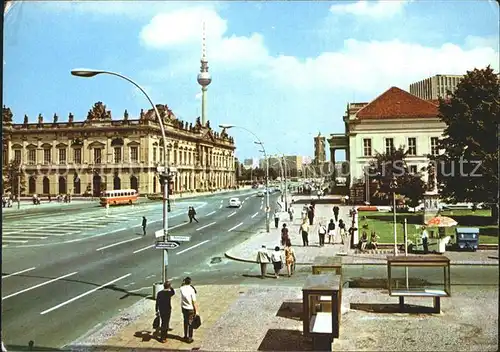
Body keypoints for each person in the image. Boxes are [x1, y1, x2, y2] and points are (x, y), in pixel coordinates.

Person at [180, 277, 198, 343]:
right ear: (190, 282)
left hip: (184, 308)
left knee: (185, 321)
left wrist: (183, 282)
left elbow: (181, 285)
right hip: (190, 309)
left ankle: (185, 336)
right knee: (190, 323)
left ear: (184, 282)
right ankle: (190, 338)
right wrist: (196, 311)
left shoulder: (181, 289)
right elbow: (194, 301)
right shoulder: (191, 290)